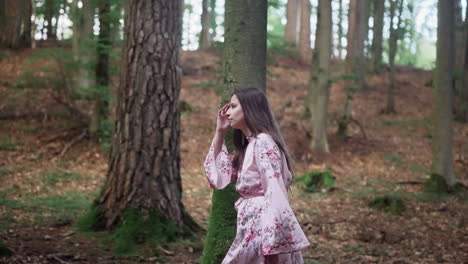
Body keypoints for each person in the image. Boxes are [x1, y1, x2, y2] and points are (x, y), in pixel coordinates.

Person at [204, 87, 310, 263]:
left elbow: (274, 188)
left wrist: (274, 236)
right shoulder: (249, 146)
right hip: (251, 224)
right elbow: (216, 176)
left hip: (264, 226)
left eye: (233, 106)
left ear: (249, 108)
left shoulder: (263, 143)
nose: (228, 112)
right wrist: (220, 132)